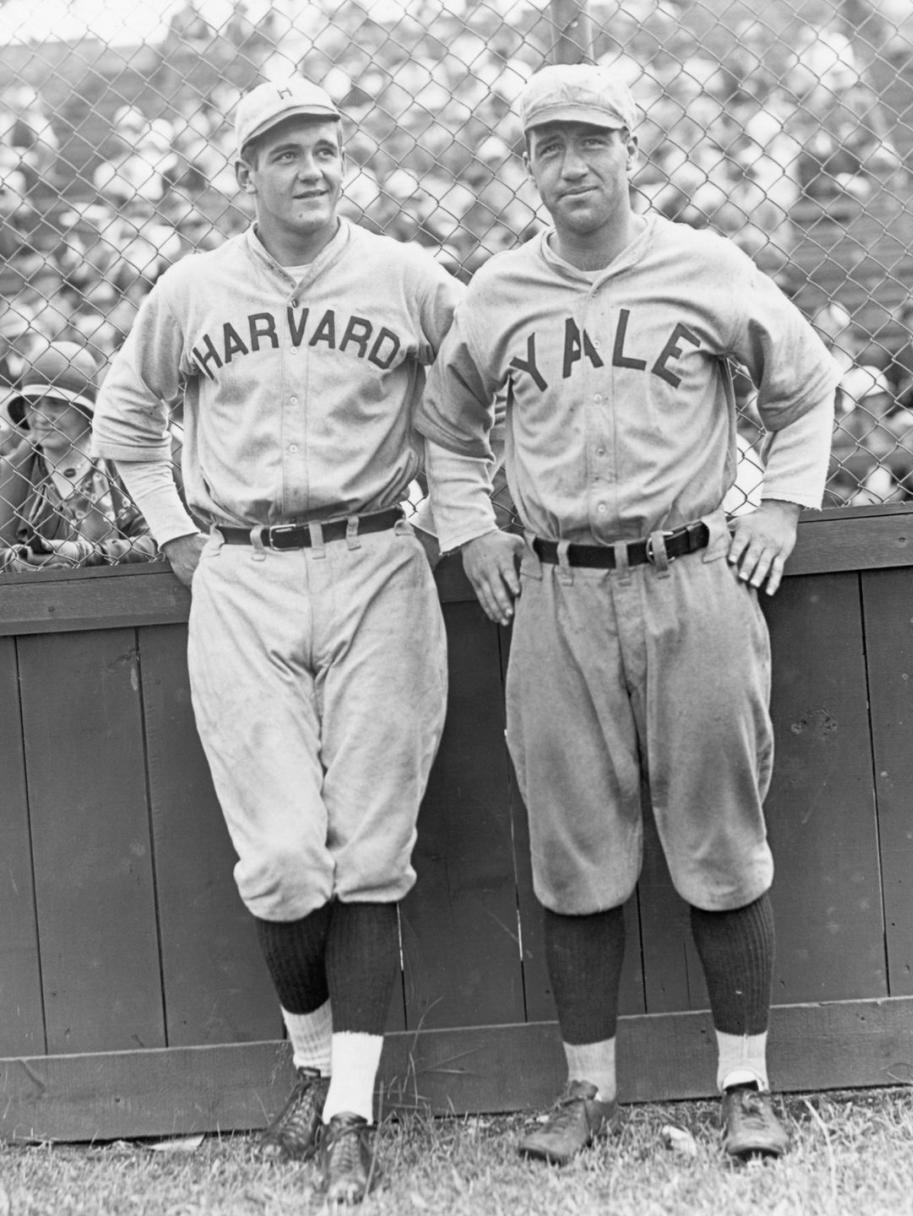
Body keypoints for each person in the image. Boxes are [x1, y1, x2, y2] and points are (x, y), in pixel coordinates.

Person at [415, 63, 839, 1165]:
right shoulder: (499, 291)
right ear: (530, 169)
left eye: (590, 142)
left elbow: (803, 386)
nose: (572, 165)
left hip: (693, 572)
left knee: (721, 835)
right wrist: (472, 532)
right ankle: (585, 1092)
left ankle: (745, 1084)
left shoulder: (706, 265)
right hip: (555, 588)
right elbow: (447, 428)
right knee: (571, 841)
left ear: (631, 152)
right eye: (549, 148)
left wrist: (784, 510)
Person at [92, 76, 461, 1204]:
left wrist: (451, 521)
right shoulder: (195, 287)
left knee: (373, 846)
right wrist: (176, 539)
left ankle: (348, 1110)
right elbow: (124, 418)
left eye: (326, 149)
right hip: (242, 569)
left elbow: (474, 399)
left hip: (375, 563)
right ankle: (310, 1063)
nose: (312, 168)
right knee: (286, 856)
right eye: (287, 152)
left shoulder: (407, 277)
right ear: (244, 171)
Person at [0, 341, 156, 569]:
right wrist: (13, 562)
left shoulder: (121, 466)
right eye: (33, 404)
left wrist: (85, 553)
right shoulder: (9, 473)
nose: (41, 417)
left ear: (85, 410)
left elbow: (160, 542)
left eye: (55, 403)